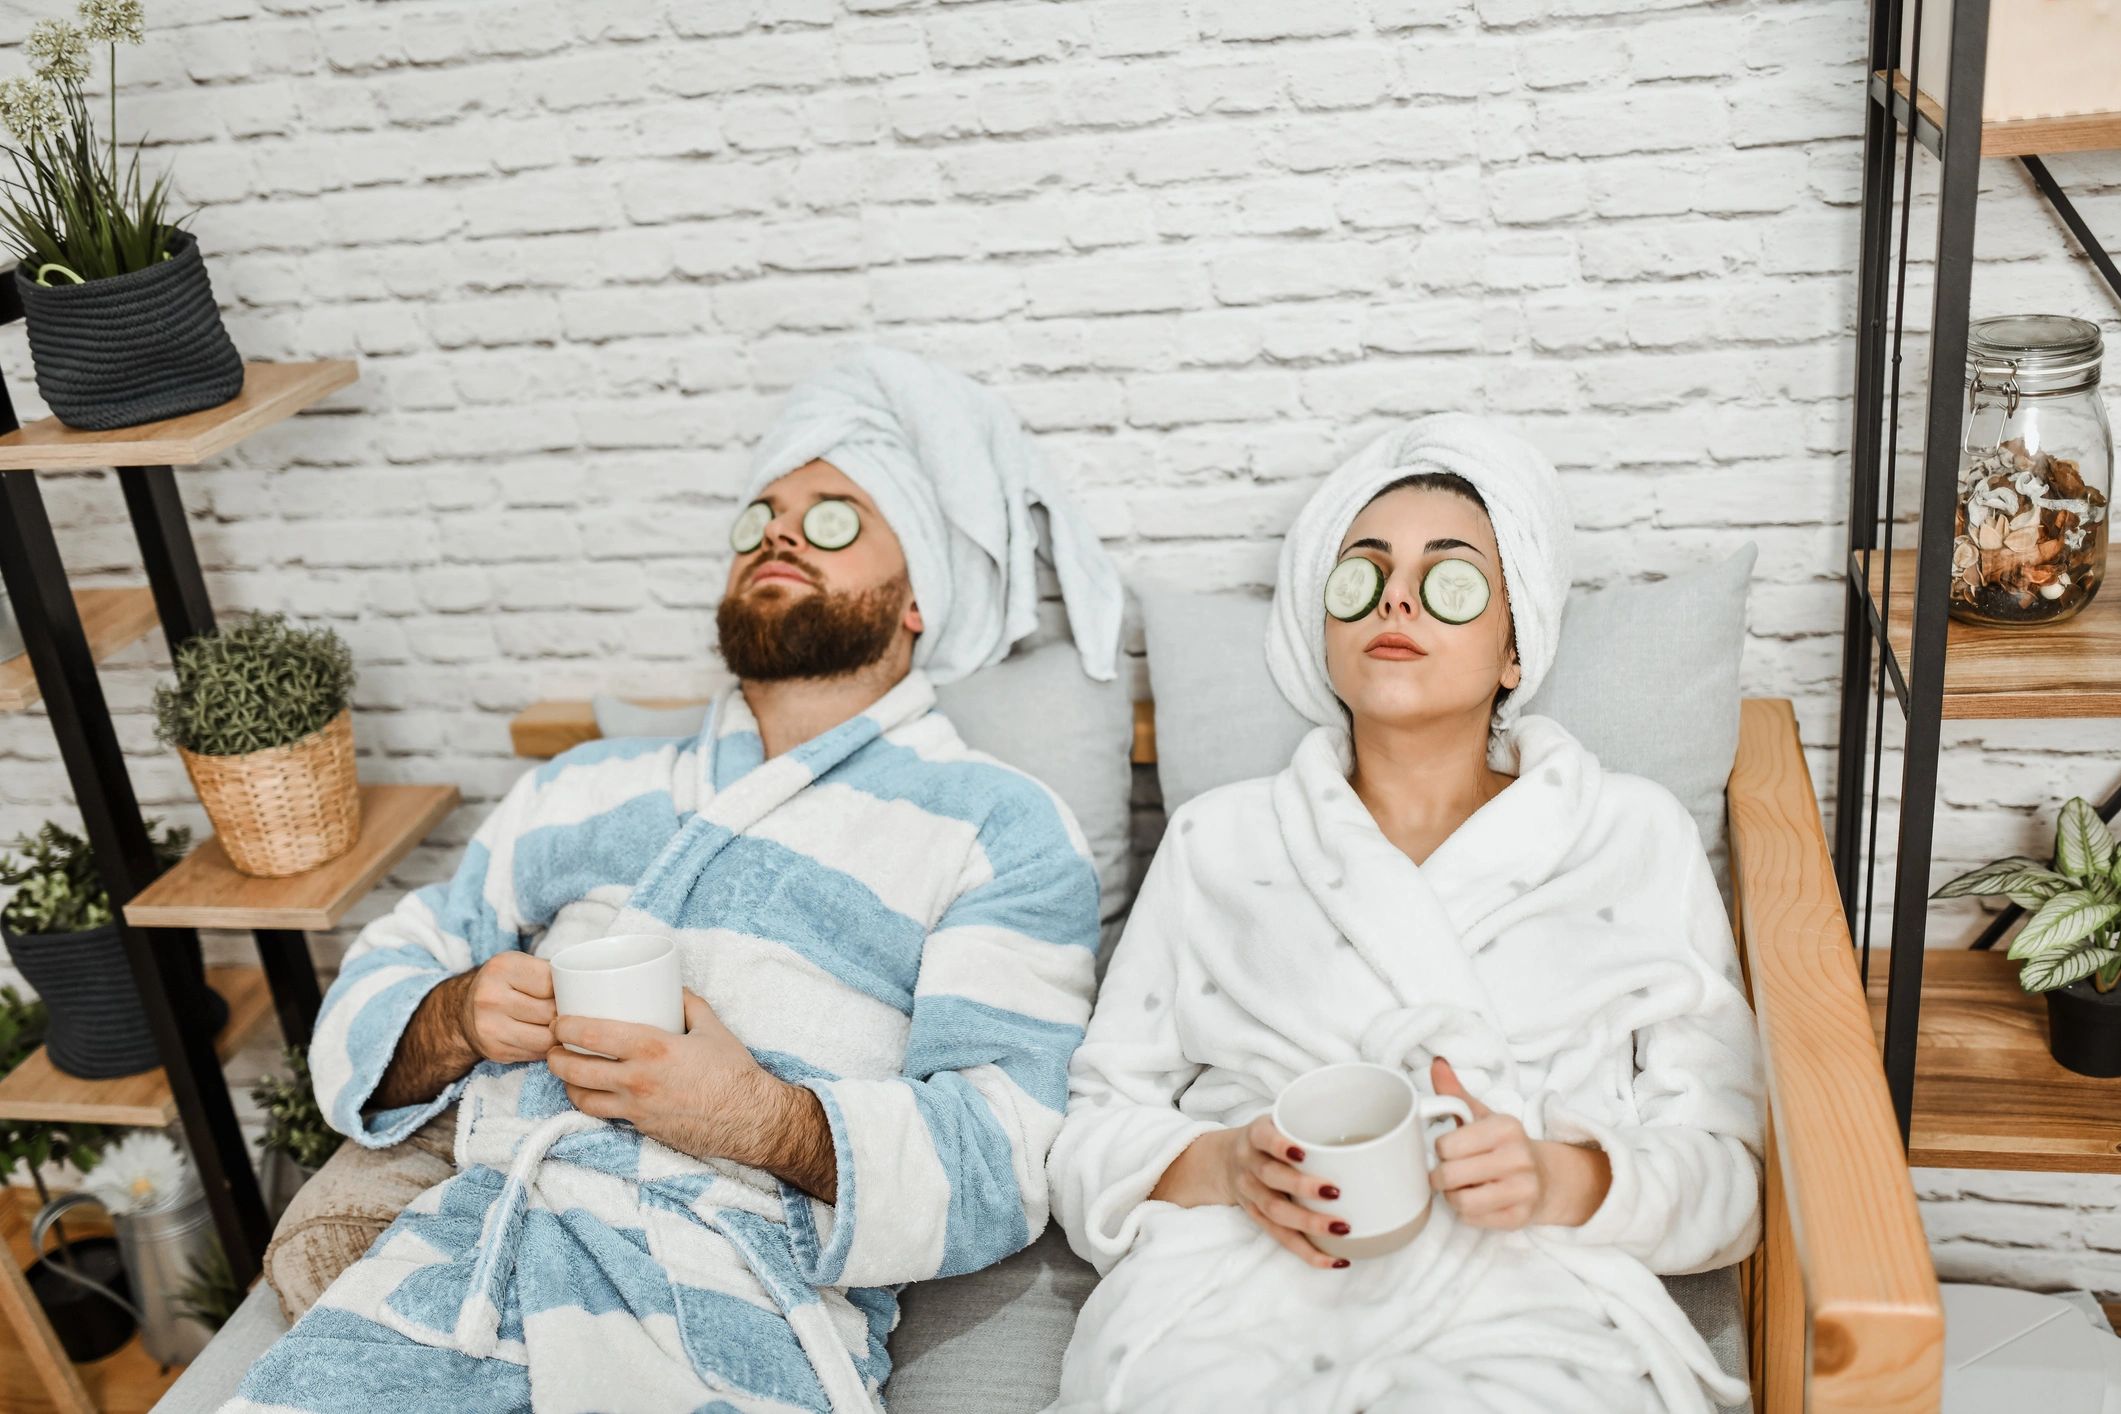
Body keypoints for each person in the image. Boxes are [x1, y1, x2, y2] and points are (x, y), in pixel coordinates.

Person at [226, 347, 1124, 1414]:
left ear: (918, 592)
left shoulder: (998, 825)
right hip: (459, 1267)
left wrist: (758, 1116)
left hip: (733, 1300)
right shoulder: (579, 785)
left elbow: (1004, 1155)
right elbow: (387, 971)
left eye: (834, 518)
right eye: (760, 518)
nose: (780, 534)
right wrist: (455, 1015)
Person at [1046, 415, 1764, 1414]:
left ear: (1515, 649)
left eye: (1449, 579)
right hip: (1235, 1291)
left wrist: (1559, 1178)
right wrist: (1224, 1164)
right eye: (1366, 573)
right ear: (1325, 631)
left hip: (1529, 1294)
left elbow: (1728, 1166)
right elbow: (1089, 1130)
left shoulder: (1630, 835)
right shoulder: (1220, 839)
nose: (1396, 598)